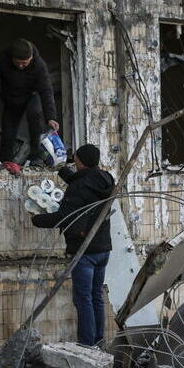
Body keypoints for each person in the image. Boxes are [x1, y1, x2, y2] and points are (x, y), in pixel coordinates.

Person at [30, 144, 114, 346]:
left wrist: (37, 220)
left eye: (75, 158)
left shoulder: (79, 186)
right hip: (103, 248)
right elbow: (83, 185)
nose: (73, 160)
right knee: (96, 297)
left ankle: (86, 345)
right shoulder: (106, 179)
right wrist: (61, 169)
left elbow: (64, 216)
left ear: (81, 162)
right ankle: (98, 342)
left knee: (83, 299)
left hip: (84, 249)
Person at [0, 38, 60, 174]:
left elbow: (46, 91)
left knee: (35, 115)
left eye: (25, 64)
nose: (21, 66)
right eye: (18, 63)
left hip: (32, 95)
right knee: (8, 133)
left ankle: (37, 157)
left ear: (31, 59)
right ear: (12, 58)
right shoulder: (2, 59)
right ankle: (4, 163)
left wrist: (51, 117)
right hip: (11, 98)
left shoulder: (39, 65)